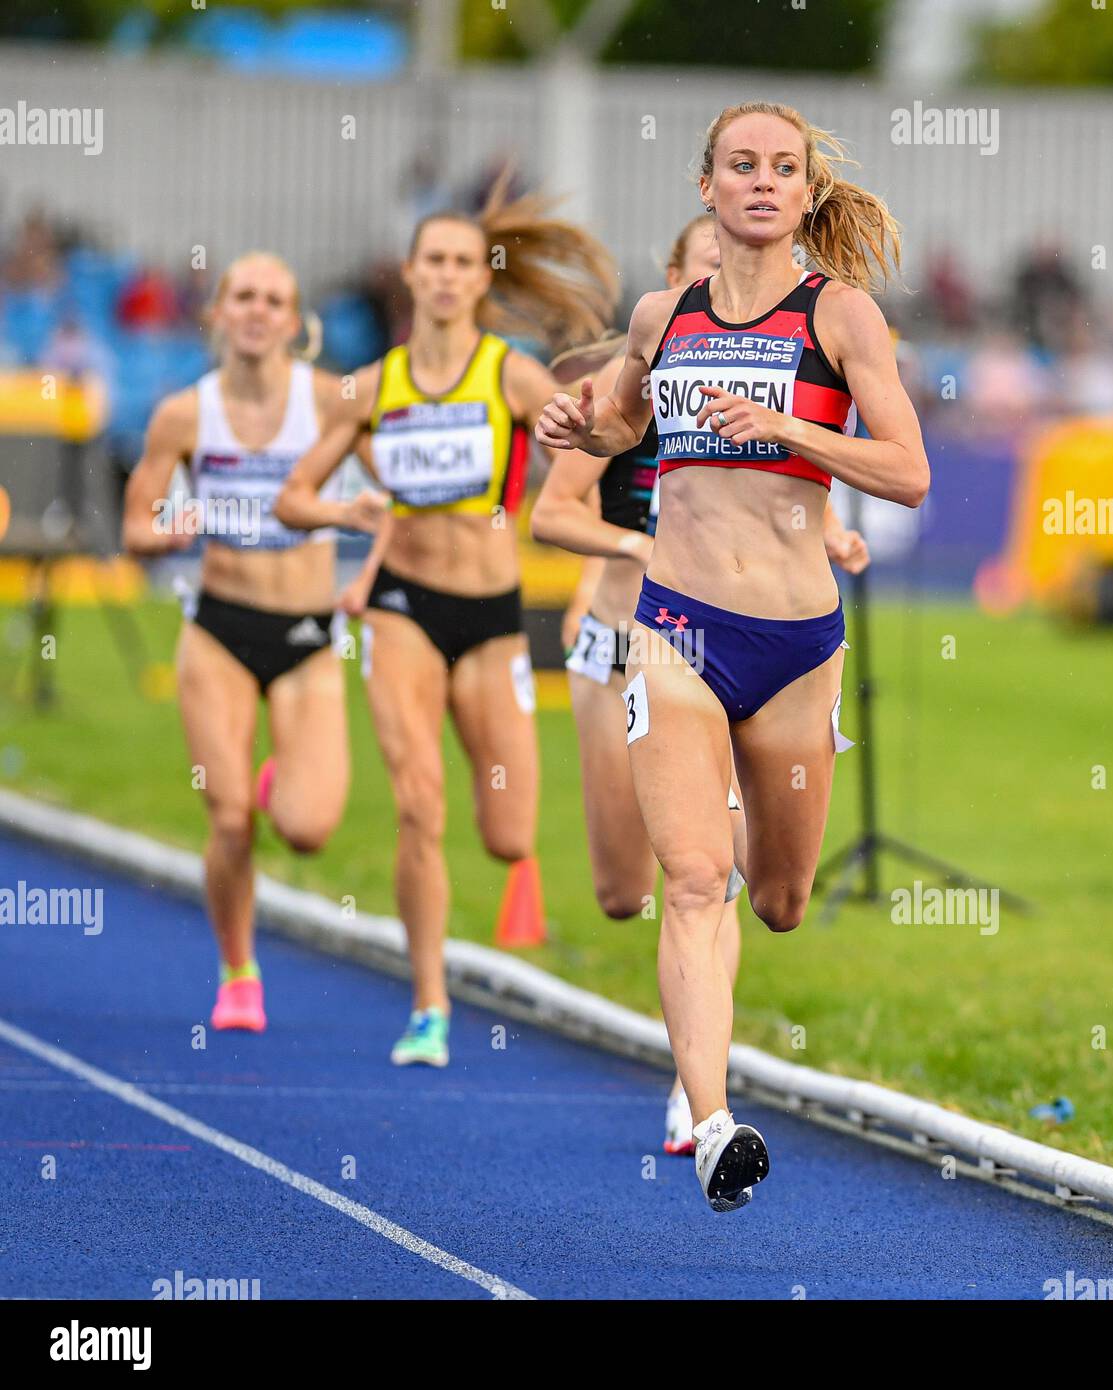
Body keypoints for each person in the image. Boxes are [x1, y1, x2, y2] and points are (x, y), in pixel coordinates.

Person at [536, 102, 928, 1211]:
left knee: (782, 899)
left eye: (783, 168)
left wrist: (788, 432)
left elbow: (907, 471)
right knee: (694, 880)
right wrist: (581, 427)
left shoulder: (841, 316)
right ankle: (709, 1119)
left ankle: (714, 1063)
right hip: (675, 631)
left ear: (806, 194)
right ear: (706, 185)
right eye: (741, 166)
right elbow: (620, 423)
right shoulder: (663, 313)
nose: (762, 182)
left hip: (798, 648)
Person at [276, 179, 617, 1067]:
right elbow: (294, 496)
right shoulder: (370, 387)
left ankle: (488, 886)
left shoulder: (508, 373)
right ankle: (429, 1005)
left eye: (464, 262)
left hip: (494, 617)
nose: (447, 276)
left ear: (481, 278)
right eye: (434, 260)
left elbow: (580, 452)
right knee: (418, 805)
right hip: (401, 615)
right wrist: (346, 515)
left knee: (507, 833)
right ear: (410, 272)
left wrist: (586, 442)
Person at [122, 252, 352, 1034]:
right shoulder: (184, 414)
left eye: (273, 300)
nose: (257, 311)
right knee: (227, 822)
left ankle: (274, 785)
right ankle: (239, 970)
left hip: (308, 631)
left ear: (294, 322)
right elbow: (133, 525)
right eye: (243, 297)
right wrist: (165, 534)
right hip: (219, 626)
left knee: (308, 828)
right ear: (218, 312)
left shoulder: (328, 403)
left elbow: (391, 498)